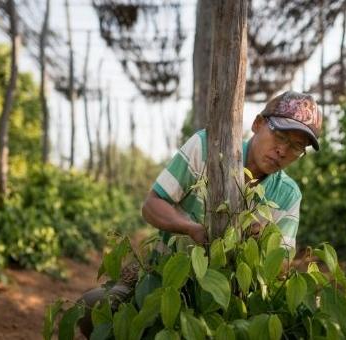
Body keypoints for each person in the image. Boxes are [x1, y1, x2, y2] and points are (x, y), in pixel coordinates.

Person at [78, 90, 322, 337]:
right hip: (166, 279)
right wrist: (189, 228)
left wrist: (262, 241)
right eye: (279, 135)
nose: (283, 150)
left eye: (296, 146)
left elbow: (281, 265)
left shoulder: (288, 194)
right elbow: (152, 205)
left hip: (234, 296)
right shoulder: (207, 147)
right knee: (90, 307)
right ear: (258, 124)